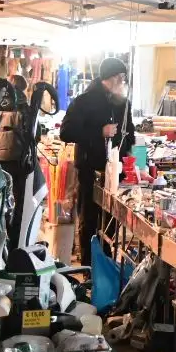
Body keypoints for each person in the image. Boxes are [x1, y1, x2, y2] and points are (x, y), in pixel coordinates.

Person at [60, 57, 135, 262]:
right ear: (110, 78)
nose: (123, 81)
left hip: (115, 174)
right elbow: (66, 132)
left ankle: (106, 263)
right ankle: (90, 268)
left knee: (111, 223)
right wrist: (99, 132)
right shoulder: (84, 101)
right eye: (120, 77)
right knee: (90, 223)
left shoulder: (123, 104)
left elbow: (130, 137)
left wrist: (130, 160)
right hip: (90, 172)